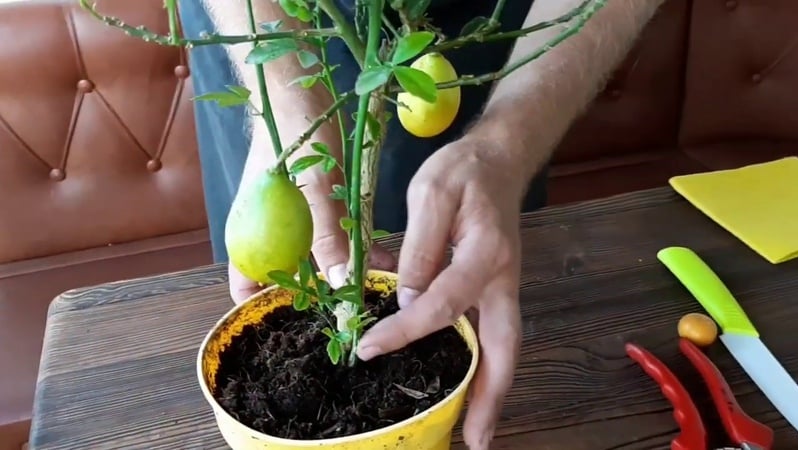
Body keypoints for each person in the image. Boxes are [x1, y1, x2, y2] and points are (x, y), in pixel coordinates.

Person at [178, 0, 665, 448]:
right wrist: (284, 109)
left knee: (439, 251)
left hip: (466, 33)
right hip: (267, 24)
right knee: (303, 250)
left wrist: (502, 147)